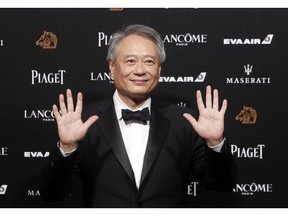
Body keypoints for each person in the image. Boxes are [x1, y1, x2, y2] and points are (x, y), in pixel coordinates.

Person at [41, 24, 237, 207]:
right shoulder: (83, 123)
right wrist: (67, 147)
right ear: (112, 67)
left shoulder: (185, 122)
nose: (140, 70)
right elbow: (52, 193)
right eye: (130, 61)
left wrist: (215, 143)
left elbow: (221, 185)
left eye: (149, 62)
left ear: (159, 70)